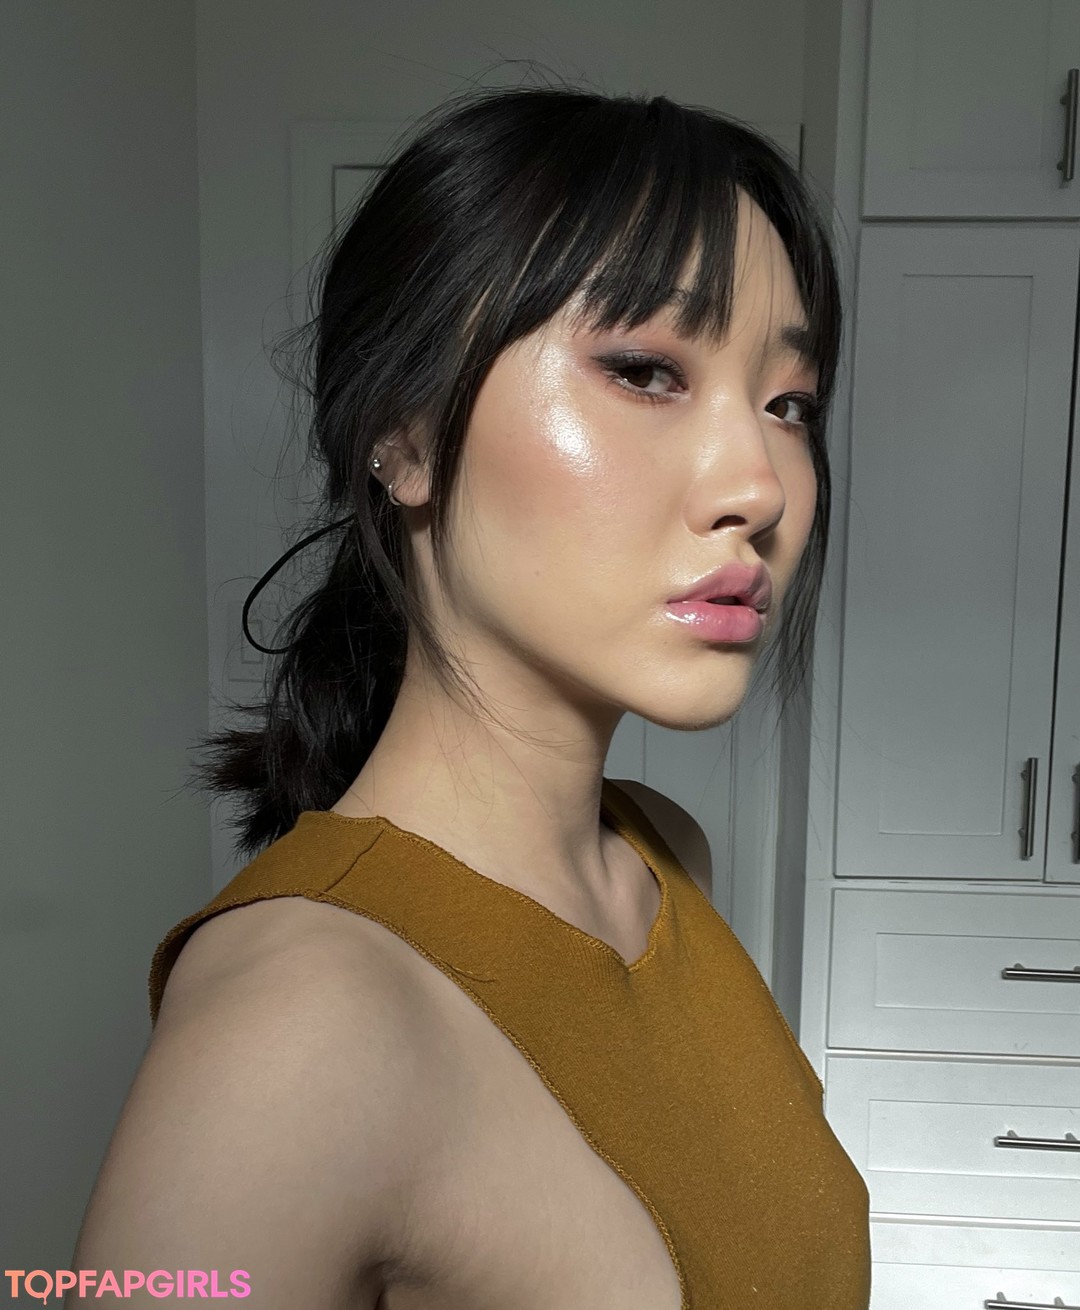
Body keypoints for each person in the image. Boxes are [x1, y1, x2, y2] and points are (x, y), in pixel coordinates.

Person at [67, 83, 871, 1309]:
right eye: (646, 369)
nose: (760, 485)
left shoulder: (666, 862)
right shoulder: (291, 1026)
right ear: (402, 435)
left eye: (788, 404)